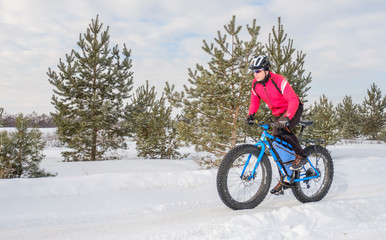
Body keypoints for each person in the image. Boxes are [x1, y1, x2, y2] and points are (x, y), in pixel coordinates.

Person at [245, 55, 307, 195]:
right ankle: (285, 178)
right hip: (278, 113)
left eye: (258, 71)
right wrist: (251, 114)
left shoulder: (279, 80)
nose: (255, 74)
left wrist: (288, 117)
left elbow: (292, 99)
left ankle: (301, 155)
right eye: (254, 71)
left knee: (283, 130)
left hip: (294, 107)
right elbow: (254, 101)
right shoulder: (256, 84)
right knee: (276, 144)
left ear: (267, 70)